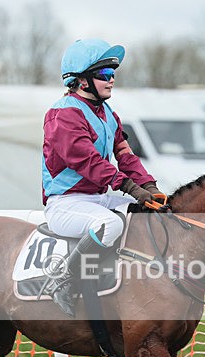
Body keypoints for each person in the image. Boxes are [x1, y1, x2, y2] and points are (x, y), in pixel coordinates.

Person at [42, 39, 164, 317]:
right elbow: (88, 162)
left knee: (143, 215)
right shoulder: (63, 114)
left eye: (113, 75)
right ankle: (63, 280)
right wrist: (130, 187)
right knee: (109, 225)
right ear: (82, 81)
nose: (111, 81)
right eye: (105, 75)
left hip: (97, 199)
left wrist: (150, 187)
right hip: (66, 203)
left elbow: (125, 155)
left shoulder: (108, 114)